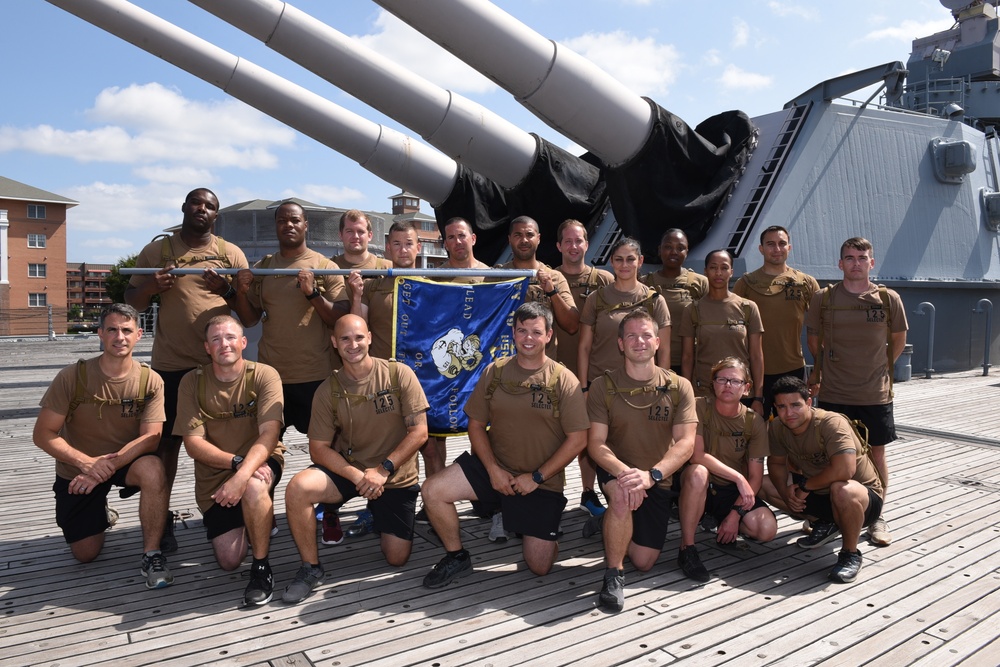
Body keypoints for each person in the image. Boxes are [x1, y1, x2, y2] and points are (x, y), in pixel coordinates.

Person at [419, 302, 589, 589]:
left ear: (549, 335)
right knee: (432, 490)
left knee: (540, 566)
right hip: (494, 469)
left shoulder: (563, 380)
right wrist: (493, 470)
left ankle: (545, 533)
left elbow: (578, 439)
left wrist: (536, 477)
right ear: (513, 332)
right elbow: (475, 425)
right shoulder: (494, 372)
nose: (528, 338)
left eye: (536, 331)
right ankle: (456, 555)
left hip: (540, 480)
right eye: (522, 330)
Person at [125, 187, 249, 552]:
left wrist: (227, 289)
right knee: (166, 449)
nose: (202, 209)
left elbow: (249, 312)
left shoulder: (230, 253)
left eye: (210, 205)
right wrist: (150, 286)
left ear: (216, 215)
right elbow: (131, 299)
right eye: (197, 202)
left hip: (220, 369)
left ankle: (239, 510)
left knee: (229, 444)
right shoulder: (158, 251)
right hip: (172, 367)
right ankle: (160, 524)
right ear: (184, 207)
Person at [280, 315, 429, 604]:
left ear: (370, 338)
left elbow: (419, 432)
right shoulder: (328, 390)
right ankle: (310, 568)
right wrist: (359, 476)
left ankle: (377, 512)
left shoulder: (399, 374)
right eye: (345, 338)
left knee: (396, 559)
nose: (353, 344)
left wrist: (383, 470)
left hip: (394, 475)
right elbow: (319, 449)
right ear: (334, 343)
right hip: (353, 471)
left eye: (359, 337)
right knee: (298, 488)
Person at [232, 200, 349, 545]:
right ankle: (262, 514)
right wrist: (239, 291)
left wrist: (313, 294)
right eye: (282, 221)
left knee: (331, 447)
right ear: (277, 226)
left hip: (316, 376)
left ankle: (330, 513)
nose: (289, 226)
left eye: (294, 220)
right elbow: (250, 318)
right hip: (273, 378)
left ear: (306, 224)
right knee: (264, 448)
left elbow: (339, 318)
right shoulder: (265, 267)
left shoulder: (324, 266)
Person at [33, 303, 173, 589]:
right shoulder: (73, 376)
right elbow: (43, 434)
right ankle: (102, 511)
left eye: (126, 330)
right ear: (100, 333)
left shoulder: (151, 380)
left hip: (124, 462)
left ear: (139, 335)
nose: (119, 337)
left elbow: (151, 438)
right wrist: (86, 464)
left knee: (154, 469)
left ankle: (152, 554)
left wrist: (104, 467)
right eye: (111, 330)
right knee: (85, 554)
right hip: (78, 467)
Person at [587, 309, 698, 612]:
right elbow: (595, 444)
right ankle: (613, 575)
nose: (640, 341)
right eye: (632, 336)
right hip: (617, 471)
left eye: (646, 334)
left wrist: (652, 475)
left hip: (657, 477)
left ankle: (608, 522)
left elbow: (686, 443)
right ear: (621, 343)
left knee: (645, 561)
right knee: (622, 496)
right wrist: (627, 474)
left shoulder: (678, 386)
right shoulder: (602, 386)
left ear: (658, 341)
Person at [175, 315, 285, 606]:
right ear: (207, 348)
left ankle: (262, 570)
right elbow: (194, 445)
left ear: (243, 343)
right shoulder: (191, 382)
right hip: (216, 473)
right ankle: (257, 517)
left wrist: (242, 475)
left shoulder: (264, 375)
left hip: (261, 460)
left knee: (253, 487)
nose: (224, 344)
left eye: (230, 337)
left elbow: (270, 434)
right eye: (215, 339)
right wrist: (237, 466)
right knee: (229, 560)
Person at [806, 237, 907, 547]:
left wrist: (875, 369)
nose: (856, 263)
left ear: (871, 263)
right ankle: (829, 514)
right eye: (849, 258)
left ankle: (875, 517)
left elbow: (898, 341)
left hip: (874, 394)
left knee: (876, 454)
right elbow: (813, 340)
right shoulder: (823, 299)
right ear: (840, 264)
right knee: (832, 455)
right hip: (835, 392)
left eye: (862, 258)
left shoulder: (888, 299)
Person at [767, 376, 884, 583]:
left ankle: (850, 553)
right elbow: (776, 464)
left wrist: (804, 486)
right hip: (819, 491)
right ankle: (825, 523)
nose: (789, 413)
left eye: (795, 405)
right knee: (761, 484)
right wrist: (786, 493)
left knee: (842, 490)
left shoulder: (831, 423)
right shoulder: (778, 427)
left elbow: (845, 470)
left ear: (809, 403)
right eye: (782, 407)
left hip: (862, 499)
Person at [678, 357, 775, 561]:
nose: (728, 385)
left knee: (766, 529)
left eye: (735, 381)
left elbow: (756, 478)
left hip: (728, 490)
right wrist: (740, 478)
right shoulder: (699, 407)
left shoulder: (753, 422)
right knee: (698, 472)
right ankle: (687, 547)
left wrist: (734, 515)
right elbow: (697, 455)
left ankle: (724, 524)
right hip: (696, 482)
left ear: (746, 388)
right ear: (713, 384)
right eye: (721, 380)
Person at [554, 219, 614, 520]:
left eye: (579, 240)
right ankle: (551, 497)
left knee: (591, 438)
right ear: (558, 246)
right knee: (553, 438)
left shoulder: (602, 280)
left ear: (587, 244)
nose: (574, 246)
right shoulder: (548, 279)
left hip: (593, 373)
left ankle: (589, 492)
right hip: (554, 371)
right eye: (568, 241)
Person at [733, 226, 820, 416]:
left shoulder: (805, 283)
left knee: (794, 423)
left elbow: (819, 330)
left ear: (789, 247)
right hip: (754, 370)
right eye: (770, 244)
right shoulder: (746, 284)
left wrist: (818, 370)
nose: (777, 249)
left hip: (792, 368)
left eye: (782, 244)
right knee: (756, 427)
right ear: (761, 249)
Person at [578, 237, 670, 388]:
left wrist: (662, 388)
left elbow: (664, 350)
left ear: (640, 261)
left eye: (630, 259)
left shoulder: (655, 300)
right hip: (601, 386)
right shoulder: (595, 299)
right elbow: (584, 348)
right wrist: (583, 388)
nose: (624, 265)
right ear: (611, 261)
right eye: (619, 259)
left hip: (642, 387)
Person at [679, 249, 764, 415]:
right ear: (705, 271)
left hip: (741, 393)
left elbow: (756, 355)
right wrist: (687, 395)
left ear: (732, 271)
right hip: (703, 394)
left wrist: (758, 398)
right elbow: (687, 357)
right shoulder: (692, 310)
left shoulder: (748, 308)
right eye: (713, 267)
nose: (718, 273)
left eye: (724, 268)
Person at [498, 215, 579, 360]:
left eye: (529, 235)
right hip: (503, 368)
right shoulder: (496, 277)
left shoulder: (554, 277)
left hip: (542, 371)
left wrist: (552, 292)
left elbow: (572, 325)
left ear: (538, 238)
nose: (524, 240)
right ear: (509, 239)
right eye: (518, 235)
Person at [641, 229, 708, 373]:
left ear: (687, 252)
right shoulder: (645, 284)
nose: (674, 252)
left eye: (680, 248)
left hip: (691, 364)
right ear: (659, 250)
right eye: (668, 247)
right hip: (653, 362)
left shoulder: (700, 283)